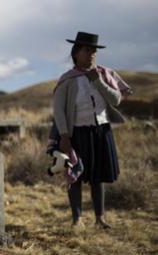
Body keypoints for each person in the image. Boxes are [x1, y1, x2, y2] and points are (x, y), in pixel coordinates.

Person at [52, 31, 132, 229]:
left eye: (94, 51)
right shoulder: (67, 80)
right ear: (76, 52)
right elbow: (59, 111)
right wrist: (64, 136)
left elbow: (115, 100)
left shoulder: (105, 74)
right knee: (75, 176)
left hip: (101, 131)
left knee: (98, 177)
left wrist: (97, 80)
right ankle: (77, 220)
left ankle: (100, 218)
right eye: (88, 50)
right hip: (77, 133)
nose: (92, 54)